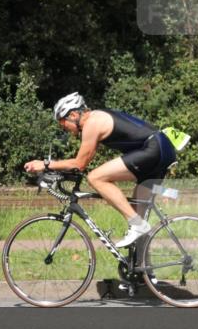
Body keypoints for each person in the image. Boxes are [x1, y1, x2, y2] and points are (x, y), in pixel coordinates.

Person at [24, 92, 177, 248]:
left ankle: (140, 224)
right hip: (161, 147)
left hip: (153, 149)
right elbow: (81, 162)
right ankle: (140, 264)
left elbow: (79, 164)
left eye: (63, 124)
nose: (64, 129)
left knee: (95, 178)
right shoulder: (97, 117)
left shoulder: (92, 123)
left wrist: (45, 164)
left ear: (73, 115)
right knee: (136, 216)